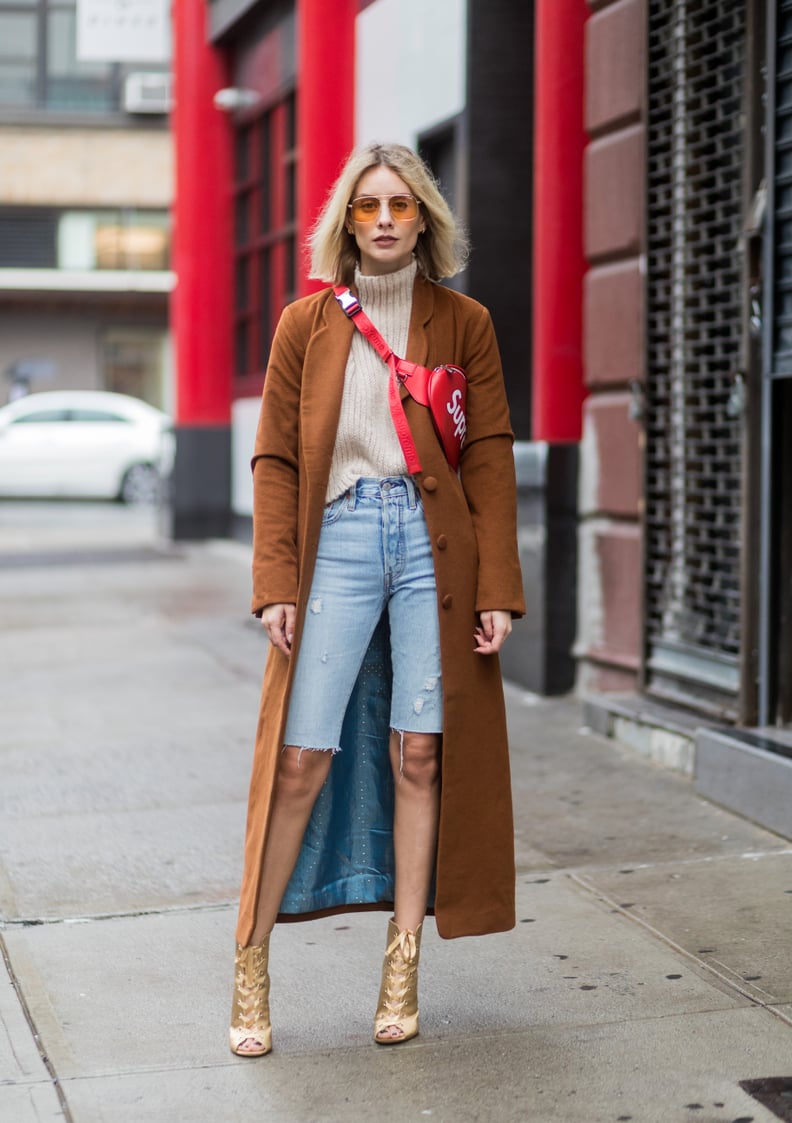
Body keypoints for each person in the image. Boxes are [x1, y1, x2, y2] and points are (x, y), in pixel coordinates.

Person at [229, 142, 525, 1057]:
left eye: (402, 204)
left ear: (425, 218)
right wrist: (275, 578)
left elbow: (490, 454)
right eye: (369, 207)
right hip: (343, 541)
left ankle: (402, 966)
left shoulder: (463, 319)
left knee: (422, 755)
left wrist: (498, 587)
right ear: (347, 222)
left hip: (437, 548)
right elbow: (276, 459)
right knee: (300, 756)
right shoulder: (304, 325)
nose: (387, 219)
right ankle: (249, 957)